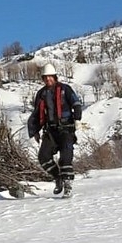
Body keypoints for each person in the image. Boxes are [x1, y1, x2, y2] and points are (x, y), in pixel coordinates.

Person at [27, 61, 83, 196]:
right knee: (43, 157)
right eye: (45, 77)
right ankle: (58, 178)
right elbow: (36, 114)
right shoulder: (41, 94)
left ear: (55, 76)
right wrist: (34, 130)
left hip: (66, 129)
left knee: (66, 156)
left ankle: (68, 185)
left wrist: (77, 119)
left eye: (50, 76)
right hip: (50, 131)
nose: (48, 79)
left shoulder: (65, 89)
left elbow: (76, 103)